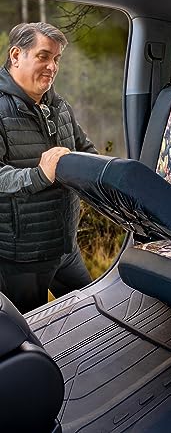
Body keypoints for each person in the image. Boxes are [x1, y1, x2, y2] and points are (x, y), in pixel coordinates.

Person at [0, 22, 98, 313]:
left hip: (65, 247)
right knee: (29, 331)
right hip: (21, 257)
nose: (53, 67)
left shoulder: (60, 106)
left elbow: (86, 151)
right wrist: (39, 175)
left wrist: (105, 181)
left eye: (56, 59)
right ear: (16, 55)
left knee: (90, 312)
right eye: (44, 56)